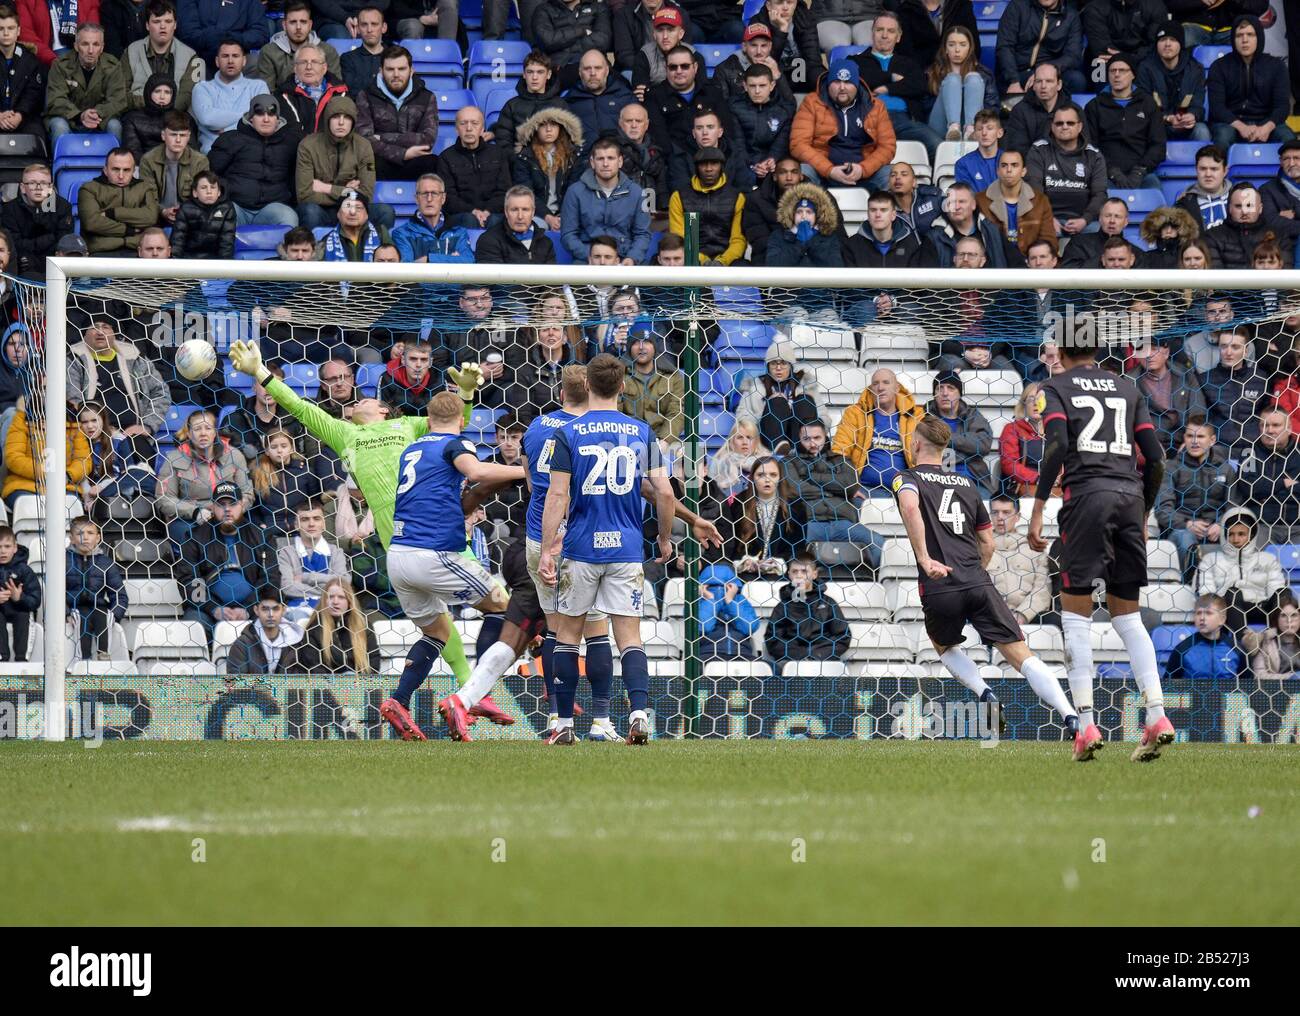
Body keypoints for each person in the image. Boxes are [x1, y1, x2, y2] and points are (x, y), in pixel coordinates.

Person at [229, 338, 487, 708]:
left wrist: (465, 393)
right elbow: (300, 408)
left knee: (494, 604)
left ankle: (477, 685)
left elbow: (454, 423)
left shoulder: (408, 426)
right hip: (398, 543)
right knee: (438, 622)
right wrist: (260, 373)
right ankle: (470, 688)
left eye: (365, 398)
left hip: (433, 527)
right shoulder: (344, 432)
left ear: (383, 409)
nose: (357, 401)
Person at [1027, 313, 1175, 762]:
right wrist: (1144, 511)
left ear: (1062, 352)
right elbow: (1157, 460)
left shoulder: (1056, 389)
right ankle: (1157, 716)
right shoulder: (1129, 388)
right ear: (1095, 349)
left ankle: (1086, 726)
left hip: (1086, 499)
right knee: (1127, 616)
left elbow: (1054, 448)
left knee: (1076, 615)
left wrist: (1037, 509)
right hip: (1129, 498)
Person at [896, 414, 1081, 746]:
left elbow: (910, 508)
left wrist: (925, 559)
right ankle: (1070, 716)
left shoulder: (906, 479)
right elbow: (989, 543)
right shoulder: (967, 485)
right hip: (979, 582)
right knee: (1022, 654)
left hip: (940, 584)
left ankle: (985, 692)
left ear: (917, 444)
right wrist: (974, 572)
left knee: (943, 645)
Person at [379, 390, 527, 739]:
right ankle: (476, 695)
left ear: (428, 420)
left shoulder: (412, 450)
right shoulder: (453, 445)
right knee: (503, 607)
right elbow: (474, 471)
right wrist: (523, 470)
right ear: (462, 421)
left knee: (438, 633)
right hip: (432, 554)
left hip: (398, 556)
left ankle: (399, 700)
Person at [66, 317, 169, 466]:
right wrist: (99, 428)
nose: (100, 331)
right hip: (94, 435)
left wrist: (146, 425)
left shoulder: (135, 358)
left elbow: (161, 392)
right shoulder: (74, 360)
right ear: (85, 334)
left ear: (114, 333)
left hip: (131, 433)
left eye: (106, 327)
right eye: (94, 327)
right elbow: (72, 400)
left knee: (144, 465)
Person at [781, 419, 882, 563]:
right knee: (790, 545)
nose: (812, 444)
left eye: (817, 438)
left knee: (877, 541)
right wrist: (835, 491)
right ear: (799, 439)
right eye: (806, 439)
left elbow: (851, 485)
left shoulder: (841, 460)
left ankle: (877, 583)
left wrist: (811, 477)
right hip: (809, 521)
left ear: (825, 437)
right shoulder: (787, 461)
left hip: (842, 522)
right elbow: (795, 489)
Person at [850, 12, 942, 164]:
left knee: (938, 146)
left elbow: (919, 85)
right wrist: (891, 78)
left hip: (904, 120)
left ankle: (928, 186)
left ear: (898, 37)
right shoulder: (855, 61)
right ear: (872, 33)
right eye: (880, 30)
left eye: (891, 31)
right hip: (868, 119)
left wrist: (886, 89)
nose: (884, 35)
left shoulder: (909, 63)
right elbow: (859, 78)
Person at [295, 96, 391, 232]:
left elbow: (366, 195)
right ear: (327, 119)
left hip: (354, 209)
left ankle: (372, 251)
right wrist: (347, 191)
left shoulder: (363, 146)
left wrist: (326, 188)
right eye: (335, 117)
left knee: (385, 212)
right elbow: (304, 195)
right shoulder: (308, 145)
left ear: (353, 121)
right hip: (322, 211)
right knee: (309, 211)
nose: (341, 122)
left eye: (346, 117)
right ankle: (315, 251)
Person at [1154, 415, 1231, 582]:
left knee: (1236, 539)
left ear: (1212, 440)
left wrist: (1220, 524)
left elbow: (1233, 504)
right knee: (1185, 538)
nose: (1194, 441)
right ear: (1184, 439)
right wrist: (1187, 523)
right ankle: (1189, 586)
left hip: (1216, 532)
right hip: (1181, 531)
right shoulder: (1171, 468)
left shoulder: (1225, 469)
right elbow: (1162, 509)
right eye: (1190, 436)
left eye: (1200, 436)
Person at [1196, 506, 1288, 642]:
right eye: (1231, 534)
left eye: (1241, 534)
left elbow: (1276, 588)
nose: (1235, 539)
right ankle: (1242, 647)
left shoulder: (1267, 559)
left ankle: (1277, 646)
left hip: (1262, 608)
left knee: (1284, 594)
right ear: (1224, 534)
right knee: (1233, 593)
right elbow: (1207, 594)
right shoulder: (1211, 559)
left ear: (1251, 535)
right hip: (1228, 611)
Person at [1206, 14, 1295, 152]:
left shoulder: (1276, 66)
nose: (1245, 40)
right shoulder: (1219, 66)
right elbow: (1217, 108)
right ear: (1233, 39)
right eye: (1239, 35)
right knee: (1222, 136)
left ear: (1259, 37)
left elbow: (1282, 107)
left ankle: (1290, 174)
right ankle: (1218, 172)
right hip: (1230, 124)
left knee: (1289, 139)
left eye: (1250, 34)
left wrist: (1266, 128)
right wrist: (1242, 127)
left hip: (1267, 123)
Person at [207, 94, 299, 228]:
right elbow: (210, 173)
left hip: (272, 208)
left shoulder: (290, 143)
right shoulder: (231, 139)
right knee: (221, 215)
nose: (266, 119)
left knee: (288, 217)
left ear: (278, 119)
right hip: (236, 205)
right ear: (251, 118)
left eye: (271, 114)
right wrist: (225, 192)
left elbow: (295, 178)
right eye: (260, 114)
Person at [353, 45, 442, 181]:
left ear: (411, 71)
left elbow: (427, 139)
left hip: (415, 160)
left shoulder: (427, 97)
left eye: (401, 69)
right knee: (367, 162)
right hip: (381, 161)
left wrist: (382, 137)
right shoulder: (365, 96)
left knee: (433, 162)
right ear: (381, 71)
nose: (396, 74)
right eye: (390, 69)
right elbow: (365, 140)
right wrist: (403, 154)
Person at [833, 367, 924, 495]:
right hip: (864, 489)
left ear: (897, 388)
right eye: (875, 383)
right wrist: (849, 487)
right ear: (871, 389)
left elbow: (928, 453)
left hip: (906, 490)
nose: (880, 388)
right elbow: (840, 450)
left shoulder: (916, 416)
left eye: (886, 382)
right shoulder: (855, 414)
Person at [560, 135, 651, 264]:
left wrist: (632, 258)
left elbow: (643, 234)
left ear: (620, 161)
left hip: (624, 261)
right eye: (600, 159)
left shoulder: (638, 192)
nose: (606, 163)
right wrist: (593, 257)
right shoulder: (575, 192)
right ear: (592, 162)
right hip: (587, 261)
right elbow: (568, 235)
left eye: (611, 158)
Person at [1025, 102, 1107, 240]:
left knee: (1101, 230)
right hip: (1046, 218)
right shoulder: (1039, 150)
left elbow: (1100, 194)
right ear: (1052, 126)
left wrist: (1084, 220)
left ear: (1079, 126)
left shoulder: (1094, 155)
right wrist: (1047, 217)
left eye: (1070, 123)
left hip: (1085, 222)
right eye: (1059, 123)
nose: (1064, 127)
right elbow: (1034, 190)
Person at [1083, 53, 1165, 191]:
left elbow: (1158, 145)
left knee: (1154, 191)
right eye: (1112, 71)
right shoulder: (1094, 106)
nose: (1116, 74)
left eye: (1122, 70)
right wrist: (1112, 172)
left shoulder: (1148, 104)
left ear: (1133, 75)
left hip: (1143, 173)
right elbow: (1090, 146)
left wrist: (1140, 171)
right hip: (1105, 173)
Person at [735, 337, 829, 455]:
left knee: (804, 400)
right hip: (767, 439)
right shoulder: (754, 386)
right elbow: (742, 418)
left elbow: (823, 417)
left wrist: (794, 410)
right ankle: (779, 449)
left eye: (783, 363)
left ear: (791, 365)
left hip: (803, 438)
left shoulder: (806, 385)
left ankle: (802, 450)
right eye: (774, 363)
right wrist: (768, 408)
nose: (778, 368)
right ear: (768, 366)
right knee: (777, 402)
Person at [644, 42, 731, 160]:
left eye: (684, 66)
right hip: (675, 163)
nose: (679, 71)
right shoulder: (654, 97)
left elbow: (727, 131)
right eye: (673, 67)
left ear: (695, 67)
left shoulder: (712, 93)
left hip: (713, 160)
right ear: (666, 69)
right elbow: (661, 140)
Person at [44, 23, 125, 143]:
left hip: (100, 119)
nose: (91, 50)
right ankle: (62, 162)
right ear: (76, 46)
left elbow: (118, 100)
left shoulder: (113, 66)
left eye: (96, 44)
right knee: (59, 126)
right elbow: (55, 100)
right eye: (85, 44)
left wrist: (97, 113)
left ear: (102, 48)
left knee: (115, 126)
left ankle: (115, 161)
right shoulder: (60, 65)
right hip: (68, 119)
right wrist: (80, 115)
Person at [2, 403, 91, 512]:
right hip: (23, 486)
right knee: (31, 508)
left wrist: (67, 475)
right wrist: (47, 473)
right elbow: (13, 458)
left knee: (68, 508)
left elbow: (83, 460)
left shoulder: (73, 427)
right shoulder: (21, 423)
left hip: (63, 487)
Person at [120, 1, 204, 114]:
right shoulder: (130, 52)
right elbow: (120, 93)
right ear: (147, 25)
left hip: (175, 120)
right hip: (138, 116)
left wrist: (163, 110)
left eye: (168, 21)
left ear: (175, 25)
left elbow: (187, 96)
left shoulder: (191, 56)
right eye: (156, 21)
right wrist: (150, 104)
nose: (163, 26)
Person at [667, 147, 746, 266]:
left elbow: (738, 239)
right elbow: (680, 238)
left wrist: (722, 261)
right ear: (696, 168)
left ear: (721, 167)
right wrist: (702, 260)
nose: (709, 169)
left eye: (714, 164)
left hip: (729, 259)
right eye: (703, 164)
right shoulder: (679, 196)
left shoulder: (737, 197)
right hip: (692, 257)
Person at [764, 555, 850, 665]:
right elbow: (773, 640)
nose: (799, 576)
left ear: (814, 574)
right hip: (791, 662)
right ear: (789, 575)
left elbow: (842, 637)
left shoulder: (828, 604)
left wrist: (816, 656)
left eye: (804, 571)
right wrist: (802, 656)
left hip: (824, 661)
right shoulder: (783, 607)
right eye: (795, 571)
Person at [283, 578, 380, 675]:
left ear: (349, 601)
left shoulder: (363, 625)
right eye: (331, 597)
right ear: (324, 601)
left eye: (341, 597)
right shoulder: (314, 629)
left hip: (360, 686)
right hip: (326, 686)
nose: (335, 602)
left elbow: (374, 662)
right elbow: (314, 667)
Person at [189, 38, 268, 154]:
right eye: (225, 56)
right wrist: (249, 113)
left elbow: (263, 122)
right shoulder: (202, 88)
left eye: (235, 56)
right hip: (213, 154)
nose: (230, 61)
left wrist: (226, 129)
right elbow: (208, 119)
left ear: (244, 61)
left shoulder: (258, 87)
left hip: (250, 154)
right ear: (217, 61)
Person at [1234, 406, 1300, 543]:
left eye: (1276, 425)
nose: (1269, 430)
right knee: (1255, 557)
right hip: (1261, 526)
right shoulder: (1249, 452)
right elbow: (1249, 488)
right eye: (1264, 425)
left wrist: (1266, 493)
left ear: (1289, 428)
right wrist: (1283, 483)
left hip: (1297, 527)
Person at [439, 105, 511, 231]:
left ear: (482, 129)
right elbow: (448, 197)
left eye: (474, 123)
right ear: (457, 129)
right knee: (469, 219)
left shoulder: (498, 154)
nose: (469, 128)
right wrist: (473, 211)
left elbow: (504, 191)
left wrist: (487, 211)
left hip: (493, 213)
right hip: (461, 216)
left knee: (495, 220)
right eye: (463, 123)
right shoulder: (446, 158)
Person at [975, 148, 1057, 258]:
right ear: (998, 171)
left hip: (1029, 264)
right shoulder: (980, 200)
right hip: (994, 264)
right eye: (1004, 165)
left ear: (1023, 171)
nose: (1009, 170)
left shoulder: (1040, 201)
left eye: (1014, 165)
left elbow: (1049, 241)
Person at [1136, 24, 1211, 144]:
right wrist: (1167, 118)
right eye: (1162, 40)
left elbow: (1198, 105)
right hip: (1157, 125)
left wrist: (1192, 116)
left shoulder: (1195, 69)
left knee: (1202, 130)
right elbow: (1142, 109)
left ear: (1181, 44)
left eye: (1173, 40)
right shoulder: (1145, 68)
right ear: (1156, 44)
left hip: (1185, 125)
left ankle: (1206, 163)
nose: (1167, 44)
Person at [276, 501, 349, 624]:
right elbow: (288, 587)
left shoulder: (336, 552)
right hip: (297, 613)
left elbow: (345, 582)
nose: (311, 524)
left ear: (324, 524)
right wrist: (330, 590)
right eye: (305, 519)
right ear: (296, 525)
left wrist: (307, 577)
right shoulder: (286, 553)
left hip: (333, 611)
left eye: (316, 519)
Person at [511, 108, 584, 230]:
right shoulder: (525, 157)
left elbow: (574, 190)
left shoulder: (572, 156)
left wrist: (563, 215)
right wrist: (548, 217)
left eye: (554, 125)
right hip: (536, 214)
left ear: (561, 128)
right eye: (543, 125)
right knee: (533, 228)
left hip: (567, 212)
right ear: (535, 129)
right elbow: (526, 193)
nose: (549, 129)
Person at [66, 517, 127, 660]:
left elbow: (119, 595)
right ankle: (83, 659)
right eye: (80, 533)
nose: (85, 537)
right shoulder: (63, 560)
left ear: (98, 537)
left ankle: (103, 656)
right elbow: (55, 594)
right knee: (81, 619)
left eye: (90, 533)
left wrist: (115, 615)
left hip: (98, 607)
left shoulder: (105, 563)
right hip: (74, 608)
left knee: (104, 616)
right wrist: (65, 613)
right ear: (71, 539)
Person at [985, 495, 1051, 626]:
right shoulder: (980, 548)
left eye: (1006, 512)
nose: (1000, 517)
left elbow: (1043, 588)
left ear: (1018, 516)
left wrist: (1023, 614)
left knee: (1054, 620)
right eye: (995, 512)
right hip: (988, 616)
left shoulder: (1033, 548)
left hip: (1029, 617)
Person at [995, 0, 1085, 95]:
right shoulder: (1018, 6)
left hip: (1050, 72)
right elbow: (1005, 46)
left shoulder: (1071, 16)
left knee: (1077, 80)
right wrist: (1013, 81)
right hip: (1018, 73)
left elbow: (1073, 55)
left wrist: (1045, 71)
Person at [1, 163, 73, 280]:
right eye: (32, 183)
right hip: (24, 266)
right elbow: (14, 245)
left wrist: (31, 243)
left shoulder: (63, 207)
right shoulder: (10, 210)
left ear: (50, 187)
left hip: (54, 265)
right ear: (23, 187)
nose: (38, 187)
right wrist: (49, 237)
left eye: (44, 183)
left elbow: (63, 241)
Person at [1204, 183, 1300, 271]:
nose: (1244, 212)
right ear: (1229, 208)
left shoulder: (1280, 235)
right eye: (1238, 206)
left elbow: (1285, 277)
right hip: (1227, 290)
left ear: (1260, 208)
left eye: (1249, 206)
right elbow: (1215, 279)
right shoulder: (1212, 236)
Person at [1200, 326, 1267, 451]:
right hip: (1217, 449)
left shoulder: (1261, 379)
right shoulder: (1205, 380)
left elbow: (1268, 416)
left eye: (1235, 347)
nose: (1228, 352)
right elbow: (1200, 418)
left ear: (1246, 350)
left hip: (1253, 450)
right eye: (1224, 346)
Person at [926, 371, 993, 495]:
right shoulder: (924, 416)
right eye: (939, 388)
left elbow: (983, 445)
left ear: (959, 394)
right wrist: (967, 449)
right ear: (934, 394)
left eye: (950, 388)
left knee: (988, 505)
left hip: (974, 481)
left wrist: (946, 439)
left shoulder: (972, 415)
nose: (945, 393)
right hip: (937, 482)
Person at [925, 24, 996, 143]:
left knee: (973, 78)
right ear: (945, 48)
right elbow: (925, 107)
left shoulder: (983, 74)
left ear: (970, 48)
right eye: (952, 45)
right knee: (953, 79)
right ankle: (953, 128)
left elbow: (992, 107)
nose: (957, 50)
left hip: (977, 125)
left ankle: (970, 130)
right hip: (941, 124)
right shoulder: (932, 72)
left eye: (963, 45)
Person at [251, 1, 343, 88]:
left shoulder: (328, 51)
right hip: (283, 103)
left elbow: (336, 89)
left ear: (310, 25)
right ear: (284, 25)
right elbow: (267, 94)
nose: (298, 27)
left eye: (303, 22)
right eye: (293, 22)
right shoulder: (269, 52)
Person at [250, 429, 323, 537]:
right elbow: (253, 508)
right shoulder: (258, 474)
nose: (279, 450)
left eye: (284, 446)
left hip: (301, 533)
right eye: (274, 447)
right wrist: (260, 524)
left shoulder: (305, 471)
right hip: (272, 534)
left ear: (292, 448)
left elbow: (316, 501)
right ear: (266, 450)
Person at [927, 180, 1012, 268]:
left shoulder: (991, 231)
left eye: (962, 201)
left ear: (973, 205)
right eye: (951, 202)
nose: (956, 207)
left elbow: (1017, 265)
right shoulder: (934, 237)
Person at [1164, 594, 1249, 681]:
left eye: (1208, 613)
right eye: (1198, 613)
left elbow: (1247, 687)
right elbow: (1168, 687)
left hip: (1227, 694)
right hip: (1193, 694)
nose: (1202, 618)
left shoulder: (1236, 649)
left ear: (1222, 619)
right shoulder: (1183, 649)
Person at [391, 173, 473, 263]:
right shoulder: (401, 234)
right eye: (424, 194)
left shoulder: (459, 232)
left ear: (443, 198)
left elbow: (469, 262)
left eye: (434, 193)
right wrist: (451, 260)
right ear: (416, 199)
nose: (429, 199)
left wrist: (428, 259)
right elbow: (407, 269)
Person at [619, 331, 683, 443]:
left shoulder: (673, 376)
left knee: (696, 454)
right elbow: (615, 411)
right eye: (636, 343)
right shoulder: (619, 375)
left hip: (662, 439)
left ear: (655, 347)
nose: (641, 347)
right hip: (627, 439)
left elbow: (677, 413)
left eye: (647, 342)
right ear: (629, 348)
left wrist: (664, 441)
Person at [844, 189, 935, 267]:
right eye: (873, 210)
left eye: (883, 210)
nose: (878, 215)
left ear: (893, 215)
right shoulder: (852, 245)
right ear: (868, 214)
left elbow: (914, 284)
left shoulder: (910, 243)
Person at [276, 43, 348, 141]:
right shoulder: (283, 95)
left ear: (324, 68)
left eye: (314, 62)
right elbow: (291, 132)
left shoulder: (342, 93)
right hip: (298, 151)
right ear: (295, 68)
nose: (309, 67)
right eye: (303, 62)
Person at [564, 48, 636, 146]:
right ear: (580, 73)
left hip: (621, 156)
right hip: (583, 159)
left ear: (606, 71)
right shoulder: (569, 102)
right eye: (587, 69)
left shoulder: (626, 97)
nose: (593, 73)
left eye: (598, 68)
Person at [225, 587, 304, 676]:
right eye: (265, 609)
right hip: (253, 690)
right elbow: (235, 683)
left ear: (284, 610)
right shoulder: (242, 644)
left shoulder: (296, 642)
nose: (270, 615)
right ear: (256, 610)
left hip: (286, 690)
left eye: (276, 609)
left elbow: (302, 680)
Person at [766, 180, 843, 268]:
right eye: (799, 212)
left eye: (809, 212)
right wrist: (799, 244)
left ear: (817, 215)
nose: (804, 216)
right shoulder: (778, 236)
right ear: (792, 213)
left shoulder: (829, 237)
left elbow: (835, 266)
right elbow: (773, 266)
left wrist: (811, 241)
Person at [713, 21, 792, 105]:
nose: (759, 51)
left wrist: (778, 77)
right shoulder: (725, 69)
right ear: (744, 46)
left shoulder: (776, 67)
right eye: (753, 45)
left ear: (770, 46)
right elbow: (720, 108)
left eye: (763, 45)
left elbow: (790, 105)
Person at [631, 5, 700, 98]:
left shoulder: (693, 54)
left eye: (670, 30)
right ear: (654, 34)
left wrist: (652, 91)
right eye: (660, 30)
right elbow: (641, 95)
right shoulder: (644, 55)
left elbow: (701, 90)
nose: (665, 36)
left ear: (681, 34)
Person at [747, 0, 821, 84]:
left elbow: (813, 60)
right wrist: (781, 31)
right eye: (779, 3)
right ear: (768, 5)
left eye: (790, 2)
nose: (785, 8)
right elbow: (763, 63)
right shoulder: (758, 22)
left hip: (802, 71)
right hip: (775, 73)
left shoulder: (805, 17)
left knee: (820, 76)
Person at [533, 0, 613, 75]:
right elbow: (548, 41)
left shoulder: (598, 7)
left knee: (620, 83)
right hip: (562, 66)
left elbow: (603, 41)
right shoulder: (543, 10)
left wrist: (561, 44)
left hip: (595, 65)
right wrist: (581, 32)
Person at [169, 169, 234, 259]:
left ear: (219, 192)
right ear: (195, 193)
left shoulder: (227, 209)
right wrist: (177, 265)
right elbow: (178, 241)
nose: (209, 191)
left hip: (215, 261)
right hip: (188, 259)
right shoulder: (185, 208)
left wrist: (223, 268)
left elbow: (227, 242)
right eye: (204, 187)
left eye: (213, 187)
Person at [0, 524, 39, 662]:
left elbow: (35, 600)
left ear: (15, 547)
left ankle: (22, 659)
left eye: (7, 546)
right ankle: (2, 657)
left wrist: (19, 597)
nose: (2, 551)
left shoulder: (24, 570)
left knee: (23, 616)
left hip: (19, 610)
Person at [377, 338, 439, 416]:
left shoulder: (438, 379)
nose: (418, 365)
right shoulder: (387, 379)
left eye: (423, 360)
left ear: (430, 362)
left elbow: (446, 416)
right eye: (413, 359)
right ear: (403, 360)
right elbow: (380, 415)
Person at [1251, 597, 1300, 680]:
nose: (1289, 620)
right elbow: (1259, 675)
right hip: (1276, 690)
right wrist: (1289, 677)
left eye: (1294, 615)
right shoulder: (1266, 641)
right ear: (1277, 619)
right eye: (1283, 615)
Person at [1260, 140, 1300, 222]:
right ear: (1281, 162)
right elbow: (1272, 222)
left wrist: (1295, 212)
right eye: (1286, 159)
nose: (1291, 163)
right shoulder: (1267, 190)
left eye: (1296, 158)